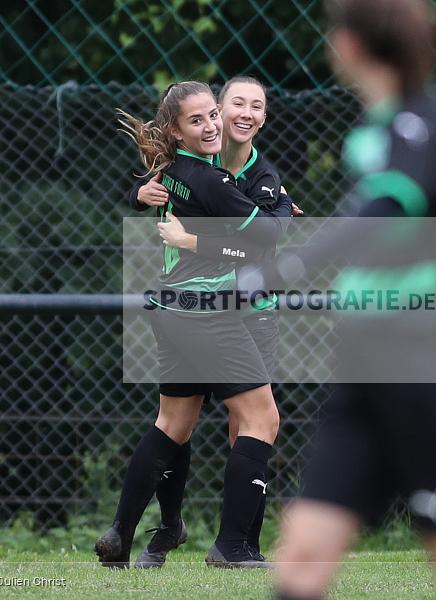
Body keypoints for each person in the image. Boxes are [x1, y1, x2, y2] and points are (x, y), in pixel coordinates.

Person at [259, 2, 436, 599]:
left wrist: (289, 265)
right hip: (363, 379)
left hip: (421, 378)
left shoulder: (424, 123)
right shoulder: (376, 126)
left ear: (347, 46)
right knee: (299, 559)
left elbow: (385, 206)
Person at [95, 81, 290, 569]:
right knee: (262, 419)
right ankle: (232, 547)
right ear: (176, 132)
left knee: (173, 423)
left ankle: (120, 535)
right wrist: (280, 207)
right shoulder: (209, 179)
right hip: (208, 313)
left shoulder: (173, 170)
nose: (211, 126)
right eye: (197, 120)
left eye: (210, 116)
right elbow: (260, 242)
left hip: (171, 310)